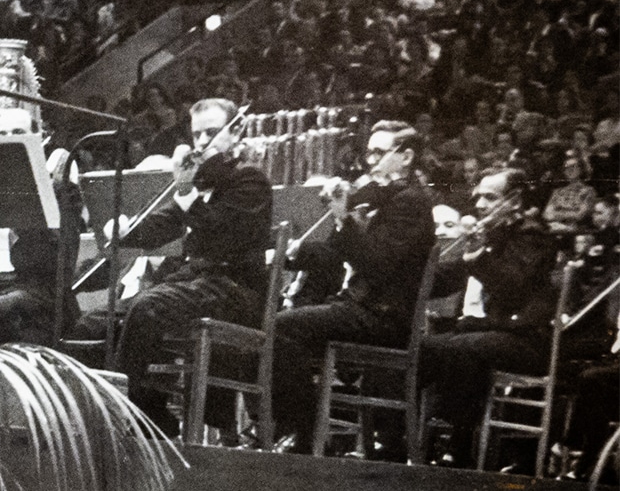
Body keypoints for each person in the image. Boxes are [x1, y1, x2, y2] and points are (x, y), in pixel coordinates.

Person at [272, 120, 436, 455]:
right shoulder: (382, 199)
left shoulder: (411, 203)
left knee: (285, 328)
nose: (370, 161)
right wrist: (290, 253)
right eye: (369, 153)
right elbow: (333, 253)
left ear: (406, 157)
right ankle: (305, 430)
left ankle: (305, 433)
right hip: (359, 308)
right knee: (281, 321)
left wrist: (346, 220)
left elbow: (377, 266)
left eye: (379, 152)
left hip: (383, 317)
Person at [111, 97, 273, 436]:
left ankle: (137, 415)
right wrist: (126, 233)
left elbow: (224, 236)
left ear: (237, 131)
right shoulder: (201, 184)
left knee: (148, 305)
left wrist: (186, 193)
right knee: (102, 320)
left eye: (211, 133)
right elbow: (165, 223)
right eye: (196, 135)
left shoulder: (250, 180)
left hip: (235, 289)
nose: (201, 143)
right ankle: (142, 412)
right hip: (199, 285)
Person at [420, 167, 559, 469]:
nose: (480, 204)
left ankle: (457, 443)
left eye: (489, 197)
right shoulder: (494, 235)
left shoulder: (534, 238)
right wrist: (416, 277)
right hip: (493, 334)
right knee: (424, 347)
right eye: (478, 196)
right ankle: (409, 439)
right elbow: (451, 276)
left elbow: (512, 286)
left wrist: (478, 253)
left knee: (462, 347)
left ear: (514, 201)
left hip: (527, 341)